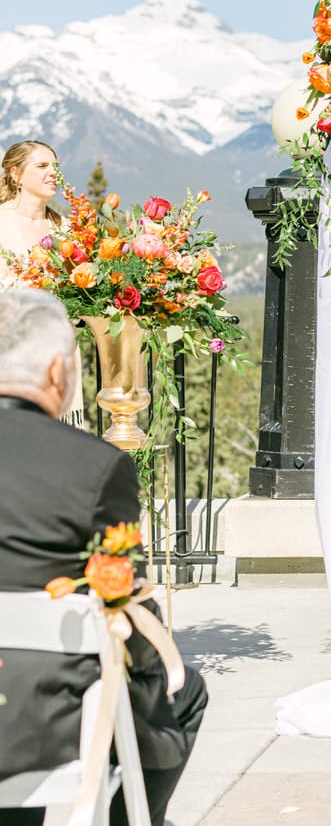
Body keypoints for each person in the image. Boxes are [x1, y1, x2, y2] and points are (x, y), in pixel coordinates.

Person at [0, 290, 208, 826]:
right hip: (31, 723)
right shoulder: (93, 466)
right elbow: (121, 593)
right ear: (55, 372)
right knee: (180, 692)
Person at [0, 140, 85, 427]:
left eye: (55, 167)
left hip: (59, 355)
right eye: (42, 166)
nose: (53, 174)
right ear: (16, 174)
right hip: (11, 355)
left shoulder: (66, 228)